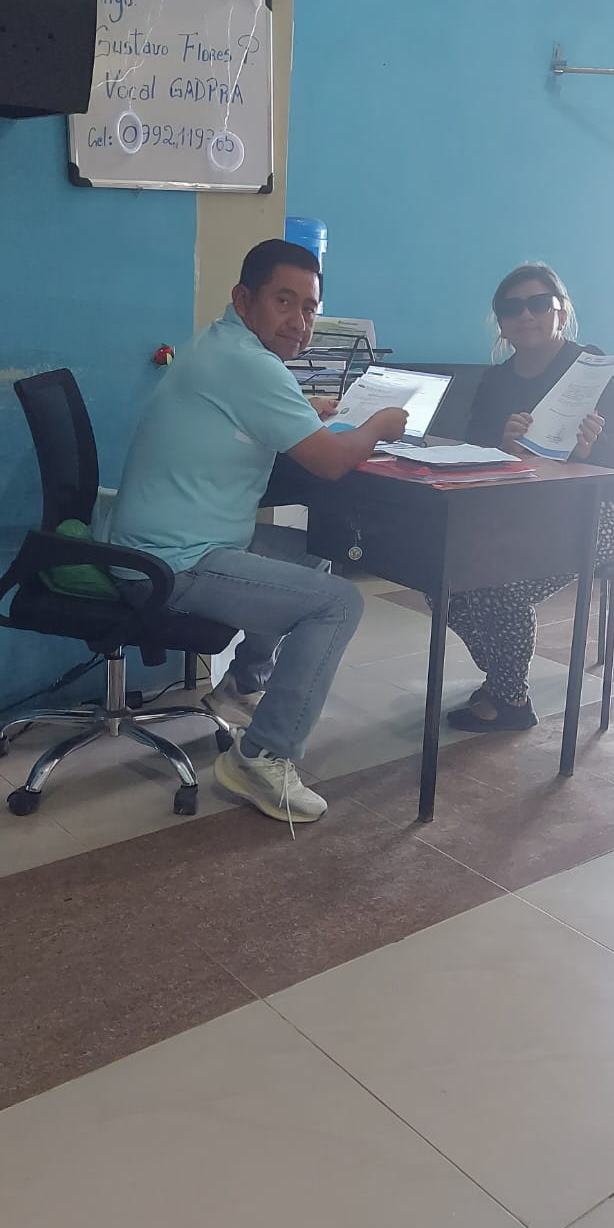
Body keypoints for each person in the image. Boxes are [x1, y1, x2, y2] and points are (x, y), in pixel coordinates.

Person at [107, 238, 408, 824]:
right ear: (244, 299)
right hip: (172, 563)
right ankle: (261, 757)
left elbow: (257, 417)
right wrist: (378, 424)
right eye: (283, 301)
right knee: (338, 603)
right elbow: (330, 462)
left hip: (161, 542)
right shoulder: (250, 364)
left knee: (316, 552)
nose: (299, 321)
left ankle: (244, 683)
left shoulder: (223, 345)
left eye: (310, 307)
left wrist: (307, 412)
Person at [445, 262, 614, 733]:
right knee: (442, 578)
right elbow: (472, 452)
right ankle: (502, 672)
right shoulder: (496, 380)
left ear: (561, 312)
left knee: (501, 585)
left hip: (597, 512)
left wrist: (589, 450)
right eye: (511, 307)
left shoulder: (589, 366)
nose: (526, 315)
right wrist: (503, 446)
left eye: (538, 303)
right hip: (523, 513)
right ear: (501, 322)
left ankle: (510, 700)